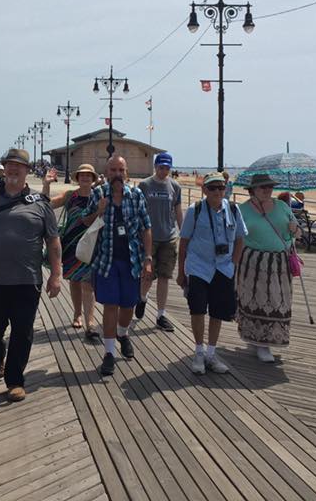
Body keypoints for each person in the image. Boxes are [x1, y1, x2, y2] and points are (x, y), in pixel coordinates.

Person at [0, 149, 61, 402]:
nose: (14, 169)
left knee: (23, 330)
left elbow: (53, 241)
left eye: (19, 166)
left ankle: (15, 380)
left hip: (28, 280)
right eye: (10, 165)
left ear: (28, 171)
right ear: (4, 168)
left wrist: (56, 274)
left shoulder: (40, 203)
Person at [85, 156, 153, 376]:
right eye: (113, 170)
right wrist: (99, 211)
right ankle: (109, 353)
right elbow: (85, 221)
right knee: (110, 306)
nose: (117, 174)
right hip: (106, 261)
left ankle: (123, 334)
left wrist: (148, 259)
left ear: (126, 172)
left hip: (132, 261)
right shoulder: (98, 194)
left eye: (120, 170)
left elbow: (146, 228)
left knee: (128, 306)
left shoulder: (136, 195)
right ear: (106, 172)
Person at [177, 172, 246, 374]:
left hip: (223, 268)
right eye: (212, 187)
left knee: (218, 312)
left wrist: (233, 263)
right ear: (204, 190)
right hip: (199, 267)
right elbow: (183, 242)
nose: (217, 191)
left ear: (225, 189)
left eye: (220, 187)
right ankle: (198, 352)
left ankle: (211, 353)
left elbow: (241, 238)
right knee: (197, 309)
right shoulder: (195, 210)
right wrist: (181, 272)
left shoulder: (233, 209)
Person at [237, 174, 298, 363]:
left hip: (280, 263)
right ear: (252, 189)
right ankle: (261, 344)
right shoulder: (242, 210)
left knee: (279, 301)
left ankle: (268, 340)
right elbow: (234, 236)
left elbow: (297, 232)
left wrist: (295, 229)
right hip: (253, 263)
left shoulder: (282, 207)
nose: (267, 190)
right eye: (262, 187)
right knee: (257, 301)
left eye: (270, 187)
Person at [42, 163, 100, 341]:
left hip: (91, 244)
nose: (85, 178)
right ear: (77, 178)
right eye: (82, 175)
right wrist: (46, 185)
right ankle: (77, 315)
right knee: (75, 281)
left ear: (93, 179)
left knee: (88, 284)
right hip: (71, 244)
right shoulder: (70, 196)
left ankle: (90, 322)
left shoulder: (98, 197)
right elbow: (47, 205)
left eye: (88, 175)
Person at [136, 152, 183, 332]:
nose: (164, 171)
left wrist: (184, 232)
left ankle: (160, 315)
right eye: (161, 167)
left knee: (165, 277)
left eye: (167, 168)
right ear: (155, 167)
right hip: (149, 238)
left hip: (169, 238)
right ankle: (142, 297)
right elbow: (138, 210)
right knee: (147, 275)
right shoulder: (145, 185)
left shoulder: (175, 187)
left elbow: (178, 211)